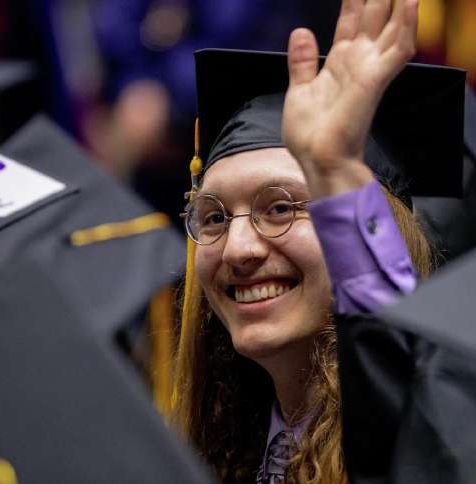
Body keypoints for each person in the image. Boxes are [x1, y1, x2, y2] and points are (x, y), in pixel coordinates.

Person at [171, 0, 448, 481]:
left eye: (280, 207)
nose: (238, 249)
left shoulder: (435, 447)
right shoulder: (213, 456)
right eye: (213, 217)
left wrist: (335, 172)